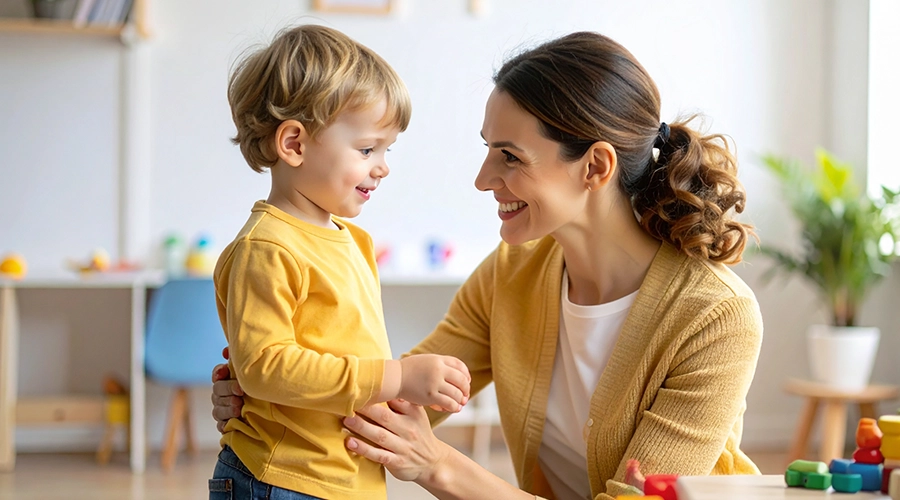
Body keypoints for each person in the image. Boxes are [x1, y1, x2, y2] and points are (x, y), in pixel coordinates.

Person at [212, 30, 763, 500]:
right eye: (488, 148)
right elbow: (404, 400)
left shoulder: (716, 318)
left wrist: (439, 466)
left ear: (594, 166)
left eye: (510, 156)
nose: (482, 179)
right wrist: (274, 404)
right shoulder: (513, 272)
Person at [210, 24, 472, 500]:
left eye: (387, 150)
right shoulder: (267, 248)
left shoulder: (353, 240)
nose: (383, 166)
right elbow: (265, 366)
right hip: (282, 478)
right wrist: (399, 376)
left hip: (342, 479)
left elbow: (341, 349)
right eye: (368, 148)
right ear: (294, 144)